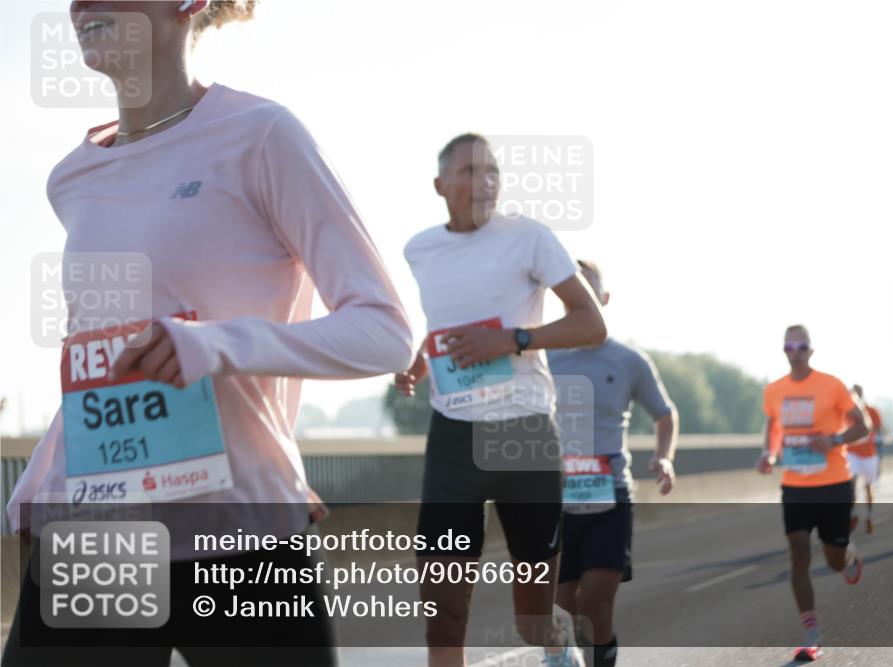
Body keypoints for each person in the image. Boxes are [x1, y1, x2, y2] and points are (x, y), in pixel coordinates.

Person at [3, 2, 412, 665]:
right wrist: (45, 476)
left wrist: (218, 345)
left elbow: (384, 331)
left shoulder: (263, 135)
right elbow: (108, 356)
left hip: (237, 532)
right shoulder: (70, 178)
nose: (80, 4)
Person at [395, 133, 606, 666]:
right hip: (452, 438)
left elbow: (592, 323)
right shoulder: (419, 249)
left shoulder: (529, 237)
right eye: (469, 171)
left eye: (492, 171)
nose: (484, 181)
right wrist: (421, 361)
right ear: (440, 185)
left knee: (531, 622)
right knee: (443, 622)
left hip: (525, 435)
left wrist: (512, 339)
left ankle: (558, 643)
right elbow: (446, 322)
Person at [548, 260, 678, 667]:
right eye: (573, 293)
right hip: (555, 498)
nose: (581, 299)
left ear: (604, 299)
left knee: (596, 604)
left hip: (610, 494)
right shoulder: (544, 357)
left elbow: (664, 414)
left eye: (589, 291)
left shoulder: (628, 360)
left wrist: (664, 457)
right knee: (561, 610)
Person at [756, 325, 869, 663]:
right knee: (799, 551)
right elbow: (773, 425)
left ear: (811, 350)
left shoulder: (832, 385)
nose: (795, 353)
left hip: (833, 483)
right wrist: (769, 453)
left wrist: (833, 440)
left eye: (801, 346)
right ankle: (811, 634)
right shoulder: (774, 390)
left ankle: (848, 555)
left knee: (833, 560)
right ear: (784, 351)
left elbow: (862, 425)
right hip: (795, 485)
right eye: (789, 347)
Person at [847, 385, 882, 534]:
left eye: (858, 392)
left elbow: (879, 428)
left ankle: (869, 516)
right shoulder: (847, 412)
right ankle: (852, 514)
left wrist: (865, 428)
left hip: (869, 454)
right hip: (851, 453)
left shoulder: (872, 411)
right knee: (851, 484)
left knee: (868, 487)